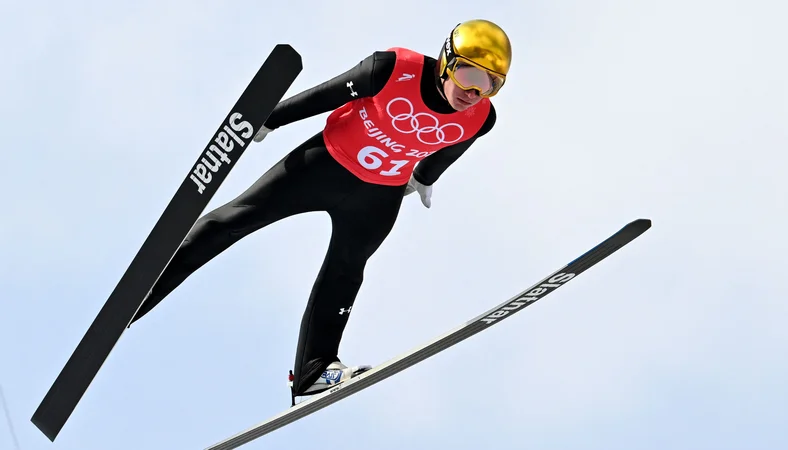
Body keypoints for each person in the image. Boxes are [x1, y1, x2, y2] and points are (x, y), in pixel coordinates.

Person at [129, 19, 512, 399]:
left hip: (378, 198)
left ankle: (315, 369)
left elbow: (453, 145)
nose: (474, 92)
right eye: (468, 75)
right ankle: (140, 293)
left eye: (490, 83)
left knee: (345, 273)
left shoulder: (481, 117)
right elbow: (326, 95)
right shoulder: (392, 68)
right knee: (235, 220)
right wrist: (270, 119)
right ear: (447, 60)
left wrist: (425, 177)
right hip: (322, 165)